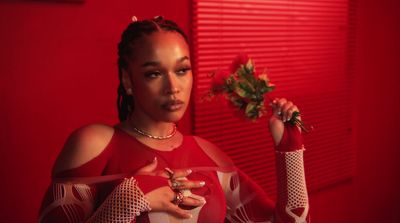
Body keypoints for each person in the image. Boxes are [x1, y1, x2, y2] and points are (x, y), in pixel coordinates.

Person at [38, 16, 310, 223]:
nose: (173, 87)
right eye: (154, 73)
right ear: (127, 80)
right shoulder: (93, 144)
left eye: (182, 70)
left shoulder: (209, 154)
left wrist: (289, 149)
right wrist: (127, 201)